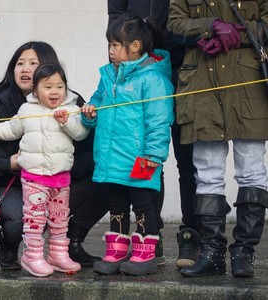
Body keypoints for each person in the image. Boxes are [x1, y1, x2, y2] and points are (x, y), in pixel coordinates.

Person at [0, 41, 108, 272]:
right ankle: (12, 247)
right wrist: (8, 163)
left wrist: (63, 166)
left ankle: (67, 246)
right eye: (20, 63)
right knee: (27, 217)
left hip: (59, 178)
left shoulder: (69, 102)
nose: (25, 69)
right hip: (10, 183)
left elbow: (90, 145)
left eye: (33, 63)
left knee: (106, 183)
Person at [167, 0, 268, 277]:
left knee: (252, 172)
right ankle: (212, 253)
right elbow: (174, 23)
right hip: (202, 82)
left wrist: (238, 32)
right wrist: (208, 28)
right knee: (207, 173)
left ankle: (244, 253)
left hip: (247, 83)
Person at [107, 0, 199, 269]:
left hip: (186, 69)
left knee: (188, 161)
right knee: (147, 159)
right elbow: (116, 18)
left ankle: (191, 234)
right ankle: (149, 234)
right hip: (138, 68)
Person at [81, 13, 174, 276]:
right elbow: (98, 99)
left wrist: (154, 154)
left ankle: (146, 253)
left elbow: (159, 119)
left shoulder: (153, 79)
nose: (110, 51)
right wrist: (91, 111)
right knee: (117, 204)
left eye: (114, 45)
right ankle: (117, 251)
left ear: (134, 46)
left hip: (141, 158)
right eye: (109, 45)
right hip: (112, 157)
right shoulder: (108, 75)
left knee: (143, 203)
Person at [0, 63, 89, 277]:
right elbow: (10, 130)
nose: (55, 91)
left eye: (60, 86)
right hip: (34, 178)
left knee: (59, 219)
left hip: (60, 178)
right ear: (36, 90)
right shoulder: (27, 110)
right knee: (35, 218)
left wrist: (67, 122)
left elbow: (81, 133)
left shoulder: (72, 108)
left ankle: (58, 254)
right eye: (48, 87)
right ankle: (33, 256)